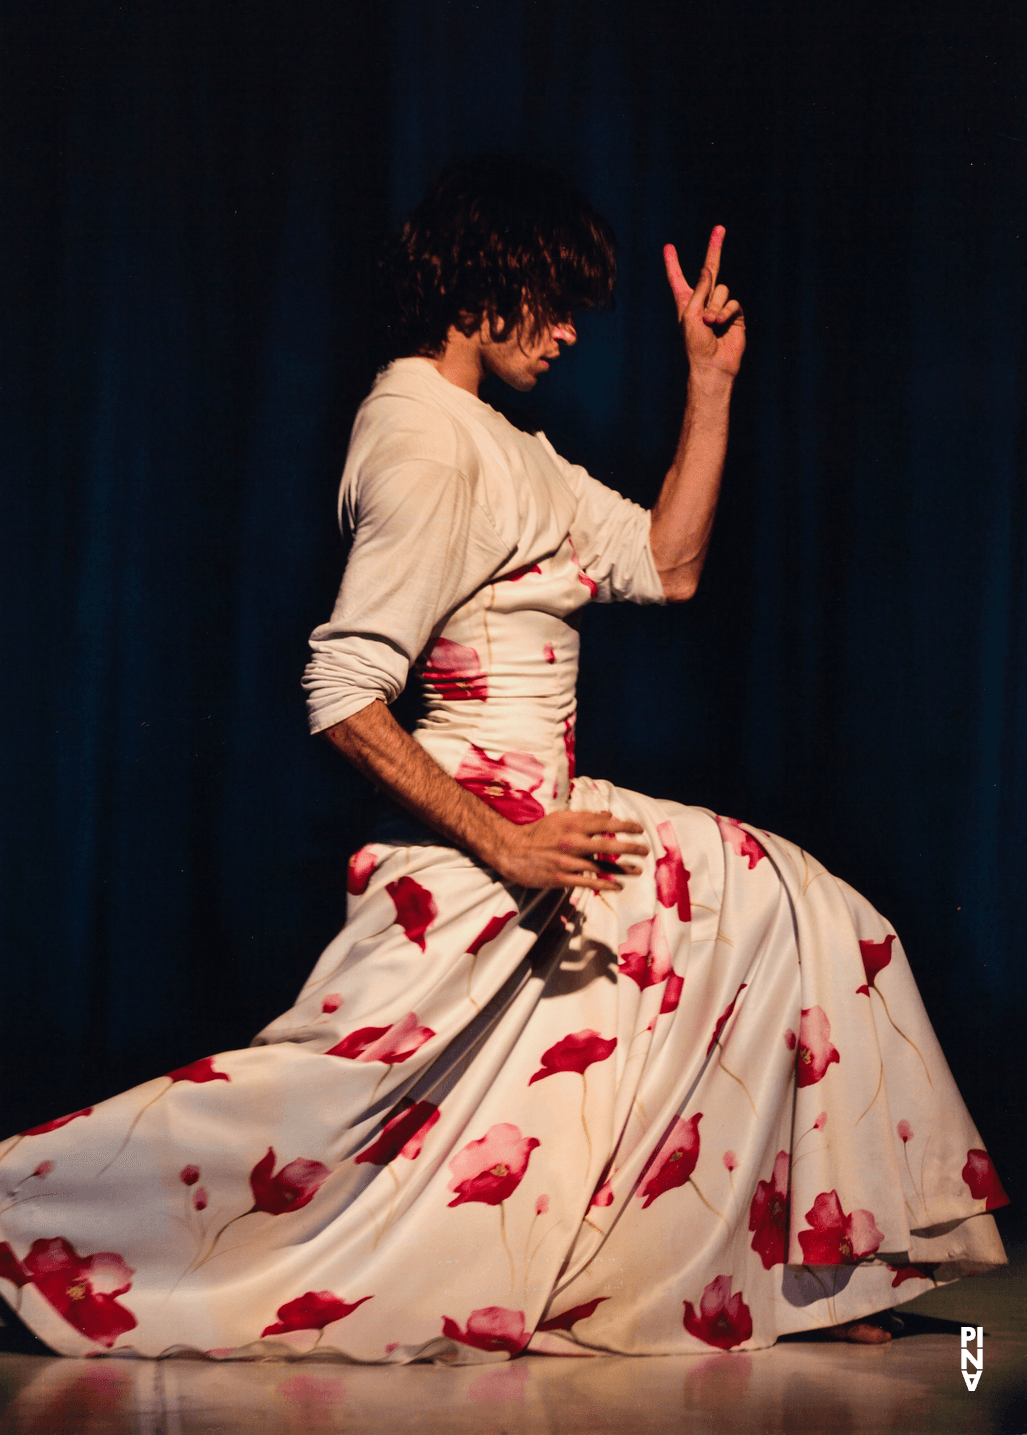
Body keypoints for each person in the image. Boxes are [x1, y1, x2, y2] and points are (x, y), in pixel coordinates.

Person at [0, 156, 1007, 1362]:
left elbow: (667, 564)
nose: (572, 332)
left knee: (791, 914)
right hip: (482, 846)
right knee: (320, 1116)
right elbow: (342, 691)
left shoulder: (500, 443)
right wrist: (507, 843)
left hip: (549, 824)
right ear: (481, 289)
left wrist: (708, 385)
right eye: (554, 302)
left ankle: (804, 1280)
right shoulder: (423, 441)